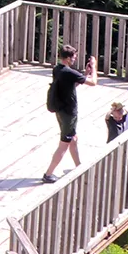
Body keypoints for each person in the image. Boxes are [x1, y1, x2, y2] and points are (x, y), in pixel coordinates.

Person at [41, 42, 98, 182]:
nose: (75, 59)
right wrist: (94, 68)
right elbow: (94, 83)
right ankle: (48, 174)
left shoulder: (58, 69)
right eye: (74, 57)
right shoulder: (68, 72)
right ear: (68, 58)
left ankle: (79, 166)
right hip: (69, 113)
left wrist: (85, 74)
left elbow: (72, 84)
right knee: (63, 145)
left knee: (73, 139)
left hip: (61, 111)